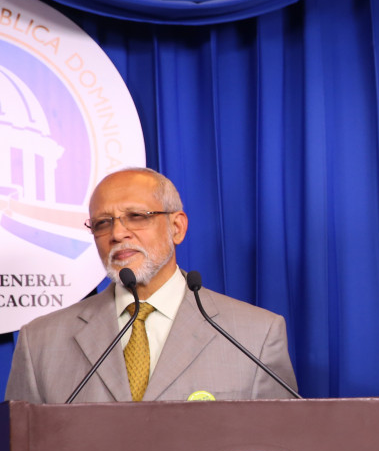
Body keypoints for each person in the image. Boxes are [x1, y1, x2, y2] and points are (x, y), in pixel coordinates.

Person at [6, 167, 296, 403]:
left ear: (177, 227)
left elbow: (278, 445)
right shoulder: (41, 342)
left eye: (136, 217)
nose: (117, 233)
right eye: (102, 223)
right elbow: (21, 450)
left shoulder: (255, 335)